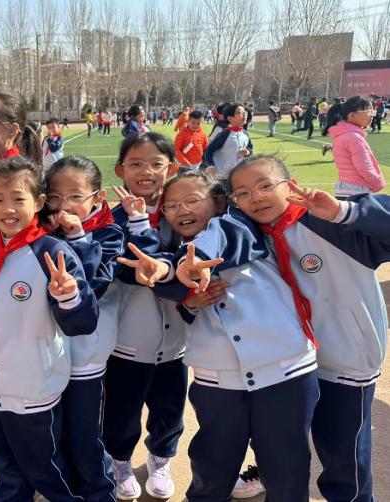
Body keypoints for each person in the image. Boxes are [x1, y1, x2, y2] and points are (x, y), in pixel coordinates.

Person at [142, 156, 323, 501]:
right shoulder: (173, 254)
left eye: (192, 200)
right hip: (218, 379)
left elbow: (217, 238)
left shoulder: (238, 226)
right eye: (171, 206)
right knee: (211, 466)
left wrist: (193, 263)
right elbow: (168, 274)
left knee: (286, 470)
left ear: (221, 201)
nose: (181, 210)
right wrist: (179, 286)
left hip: (285, 371)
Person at [224, 155, 390, 502]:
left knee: (342, 451)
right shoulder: (248, 236)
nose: (256, 197)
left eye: (266, 185)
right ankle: (267, 473)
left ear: (290, 185)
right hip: (287, 364)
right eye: (243, 193)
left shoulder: (328, 222)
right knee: (278, 438)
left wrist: (345, 212)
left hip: (343, 359)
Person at [0, 156, 99, 501]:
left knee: (47, 469)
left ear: (39, 202)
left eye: (18, 198)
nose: (7, 209)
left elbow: (83, 322)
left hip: (32, 387)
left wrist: (68, 295)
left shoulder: (52, 253)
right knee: (6, 468)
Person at [102, 133, 187, 500]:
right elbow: (118, 268)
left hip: (175, 342)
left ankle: (160, 458)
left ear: (172, 168)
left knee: (169, 410)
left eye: (156, 164)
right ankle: (119, 461)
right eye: (135, 164)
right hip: (127, 342)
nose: (145, 171)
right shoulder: (109, 219)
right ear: (120, 170)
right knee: (121, 411)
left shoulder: (182, 216)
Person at [43, 155, 123, 501]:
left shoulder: (108, 233)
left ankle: (99, 492)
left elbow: (94, 285)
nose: (64, 206)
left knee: (84, 433)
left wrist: (77, 238)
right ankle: (63, 491)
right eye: (55, 197)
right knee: (50, 432)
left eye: (75, 196)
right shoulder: (40, 233)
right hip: (45, 353)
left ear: (98, 197)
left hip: (85, 356)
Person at [322, 96, 385, 199]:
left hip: (343, 188)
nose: (371, 115)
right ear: (352, 115)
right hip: (357, 190)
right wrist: (378, 183)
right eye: (367, 111)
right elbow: (365, 167)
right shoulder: (354, 137)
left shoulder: (341, 134)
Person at [203, 103, 253, 179]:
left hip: (239, 175)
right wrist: (210, 166)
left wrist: (248, 151)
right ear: (230, 118)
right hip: (223, 176)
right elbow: (209, 150)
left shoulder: (245, 133)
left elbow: (250, 148)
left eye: (244, 112)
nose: (244, 114)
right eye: (239, 112)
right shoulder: (225, 135)